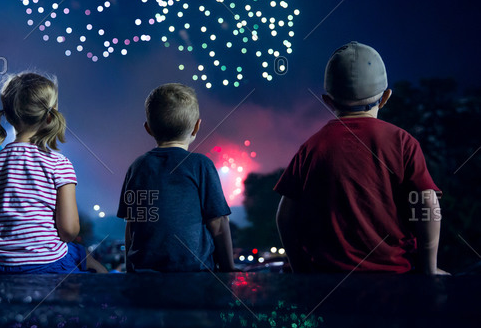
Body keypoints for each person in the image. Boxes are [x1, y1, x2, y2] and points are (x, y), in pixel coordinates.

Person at [275, 42, 446, 274]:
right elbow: (427, 203)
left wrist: (301, 272)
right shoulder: (402, 141)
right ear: (385, 97)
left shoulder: (311, 147)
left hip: (327, 286)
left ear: (328, 101)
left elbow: (285, 218)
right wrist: (429, 272)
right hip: (394, 284)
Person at [0, 72, 106, 274]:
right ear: (50, 116)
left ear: (8, 115)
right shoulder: (58, 163)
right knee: (87, 259)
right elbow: (69, 230)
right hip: (44, 263)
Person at [117, 83, 234, 272]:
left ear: (148, 128)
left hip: (146, 275)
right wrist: (228, 268)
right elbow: (218, 224)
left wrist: (131, 269)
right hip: (195, 274)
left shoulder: (137, 167)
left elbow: (132, 225)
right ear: (196, 127)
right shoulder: (201, 165)